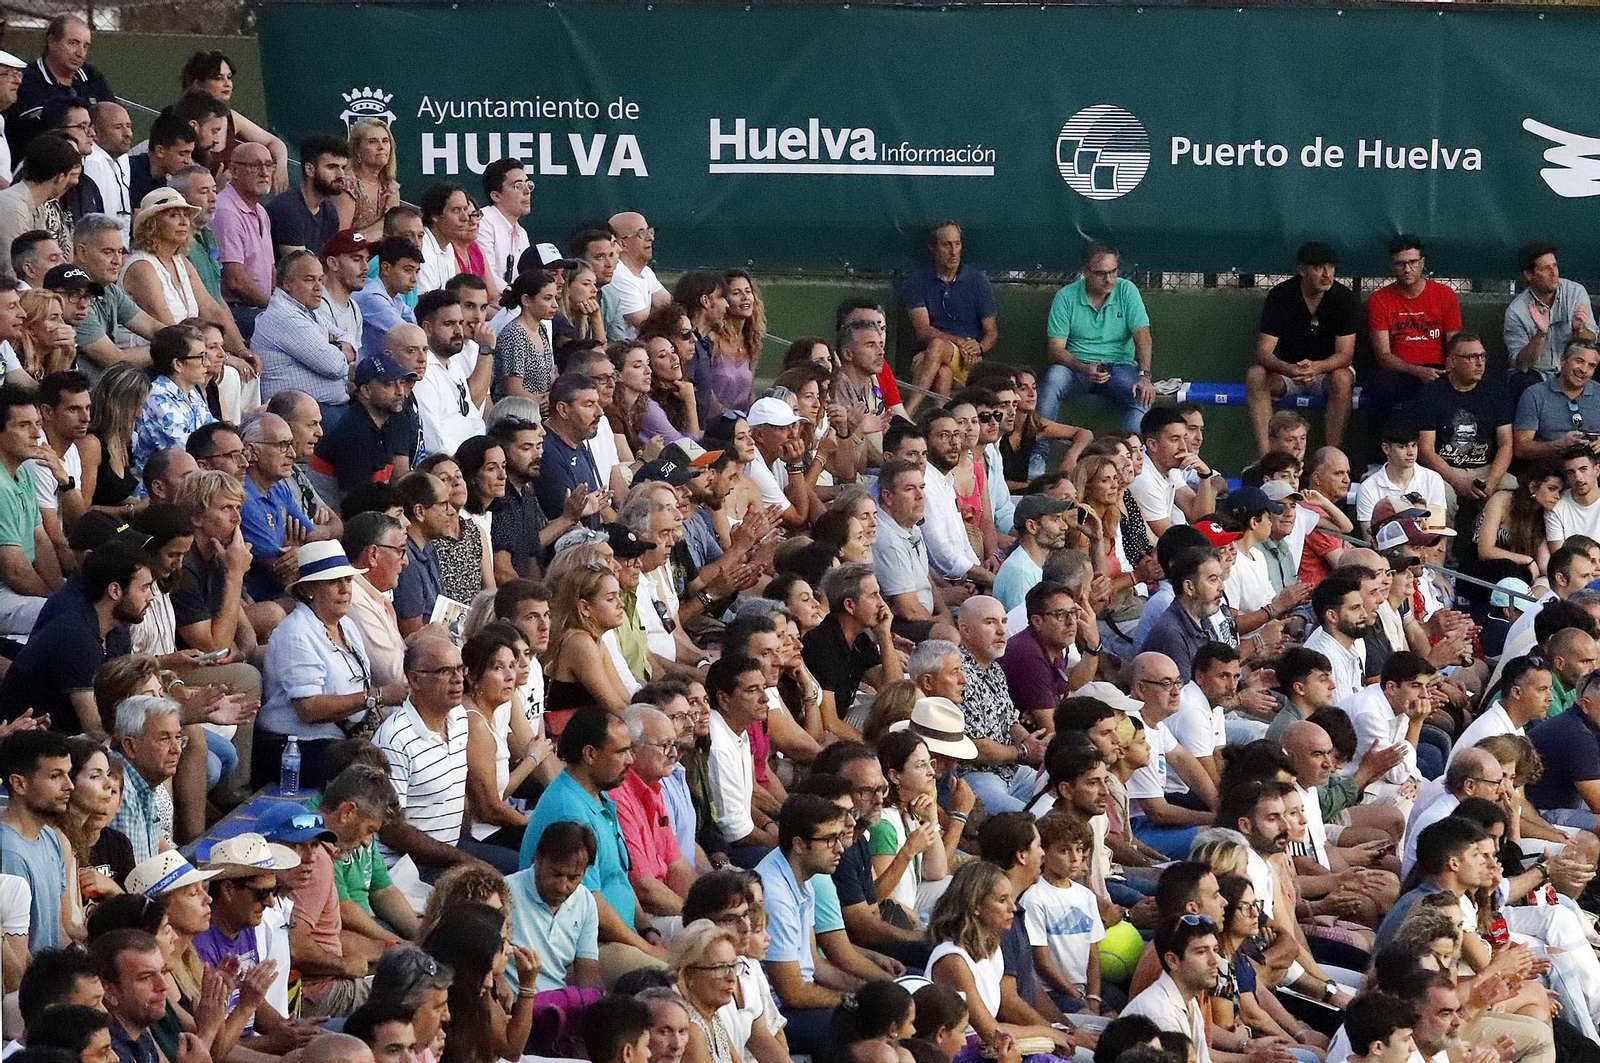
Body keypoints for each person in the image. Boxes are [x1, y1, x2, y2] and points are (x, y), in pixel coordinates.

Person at [517, 706, 666, 981]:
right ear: (589, 754)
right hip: (591, 946)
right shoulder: (570, 811)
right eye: (621, 752)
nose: (630, 760)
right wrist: (647, 949)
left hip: (628, 933)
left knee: (712, 946)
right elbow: (592, 906)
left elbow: (618, 877)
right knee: (672, 978)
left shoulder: (599, 797)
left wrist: (647, 929)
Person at [257, 541, 405, 789]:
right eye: (333, 581)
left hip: (343, 739)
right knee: (370, 772)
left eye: (347, 580)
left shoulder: (346, 625)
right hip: (298, 748)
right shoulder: (296, 633)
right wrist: (376, 696)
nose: (345, 589)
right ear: (308, 590)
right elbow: (309, 709)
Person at [0, 540, 153, 737]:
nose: (151, 597)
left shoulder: (117, 632)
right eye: (144, 588)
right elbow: (96, 728)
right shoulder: (75, 636)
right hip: (39, 750)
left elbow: (123, 700)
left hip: (72, 742)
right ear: (115, 591)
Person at [927, 860, 1072, 1058]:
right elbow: (992, 1033)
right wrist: (1050, 1032)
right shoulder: (953, 960)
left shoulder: (991, 949)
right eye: (1002, 900)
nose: (1012, 908)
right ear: (975, 906)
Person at [1244, 241, 1358, 454]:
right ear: (1302, 270)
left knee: (1342, 379)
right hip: (1287, 372)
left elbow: (1345, 355)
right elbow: (1264, 351)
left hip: (1326, 373)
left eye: (1330, 267)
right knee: (1256, 375)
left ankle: (1330, 457)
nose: (1327, 274)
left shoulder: (1343, 297)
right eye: (1318, 268)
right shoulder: (1280, 295)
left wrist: (1317, 367)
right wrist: (1289, 369)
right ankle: (1267, 458)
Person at [1038, 242, 1155, 434]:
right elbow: (1055, 350)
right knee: (1053, 379)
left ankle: (1126, 453)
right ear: (1085, 271)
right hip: (1076, 369)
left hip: (1120, 368)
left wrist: (1144, 377)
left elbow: (1143, 337)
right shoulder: (1065, 297)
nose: (1108, 279)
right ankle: (1037, 455)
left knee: (1143, 394)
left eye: (1113, 272)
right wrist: (1084, 368)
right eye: (1101, 273)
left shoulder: (1127, 290)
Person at [1415, 333, 1516, 526]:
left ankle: (1495, 552)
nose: (1479, 363)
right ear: (1452, 361)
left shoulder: (1496, 392)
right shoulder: (1431, 393)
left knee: (1511, 488)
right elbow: (1426, 450)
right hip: (1445, 469)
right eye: (1471, 357)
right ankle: (1439, 553)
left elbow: (1506, 444)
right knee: (1440, 495)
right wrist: (1457, 482)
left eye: (1483, 356)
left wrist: (1492, 482)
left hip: (1486, 469)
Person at [1366, 234, 1463, 412]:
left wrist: (1450, 369)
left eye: (1413, 262)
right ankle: (1385, 439)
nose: (1407, 269)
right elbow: (1384, 356)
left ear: (1422, 263)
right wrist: (1418, 371)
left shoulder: (1445, 295)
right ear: (1393, 265)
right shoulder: (1378, 300)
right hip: (1400, 370)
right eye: (1400, 264)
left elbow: (1455, 343)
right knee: (1382, 385)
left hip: (1438, 369)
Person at [502, 820, 602, 993]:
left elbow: (587, 969)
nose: (563, 886)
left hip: (557, 1005)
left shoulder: (586, 902)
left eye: (573, 878)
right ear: (538, 858)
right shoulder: (504, 893)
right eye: (556, 874)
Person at [901, 221, 996, 398]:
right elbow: (923, 331)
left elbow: (991, 333)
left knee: (939, 351)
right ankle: (941, 416)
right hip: (925, 356)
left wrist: (978, 348)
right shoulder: (917, 282)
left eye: (957, 244)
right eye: (946, 245)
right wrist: (959, 342)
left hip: (967, 361)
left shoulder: (978, 281)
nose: (953, 252)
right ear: (933, 248)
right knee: (941, 368)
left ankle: (907, 414)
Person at [254, 250, 352, 419]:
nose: (318, 287)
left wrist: (333, 347)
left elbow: (349, 340)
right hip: (294, 416)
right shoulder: (284, 316)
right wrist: (338, 348)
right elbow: (334, 366)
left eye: (321, 280)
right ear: (286, 283)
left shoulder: (308, 312)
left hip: (324, 409)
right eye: (309, 279)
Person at [0, 730, 72, 948]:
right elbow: (17, 953)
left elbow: (57, 929)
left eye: (68, 774)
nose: (70, 785)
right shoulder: (7, 852)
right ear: (19, 784)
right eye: (55, 776)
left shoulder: (50, 836)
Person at [239, 411, 321, 601]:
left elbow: (313, 538)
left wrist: (298, 552)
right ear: (251, 451)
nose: (292, 454)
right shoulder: (244, 499)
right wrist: (299, 553)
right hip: (263, 601)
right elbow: (283, 572)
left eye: (291, 445)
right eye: (282, 446)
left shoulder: (279, 488)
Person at [309, 352, 414, 500]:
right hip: (338, 518)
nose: (400, 391)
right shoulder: (355, 434)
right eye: (388, 384)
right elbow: (356, 506)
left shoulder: (386, 423)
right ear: (366, 391)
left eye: (401, 382)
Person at [1505, 241, 1594, 386]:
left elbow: (1592, 342)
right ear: (1529, 275)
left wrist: (1580, 329)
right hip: (1536, 374)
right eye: (1546, 269)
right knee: (1522, 381)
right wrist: (1541, 334)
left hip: (1571, 370)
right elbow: (1521, 364)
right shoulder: (1516, 311)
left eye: (1555, 266)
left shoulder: (1575, 293)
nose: (1554, 273)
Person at [130, 323, 213, 479]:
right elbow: (188, 452)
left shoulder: (191, 391)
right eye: (201, 357)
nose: (207, 363)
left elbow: (211, 431)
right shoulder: (157, 397)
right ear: (178, 364)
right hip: (164, 489)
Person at [212, 142, 275, 335]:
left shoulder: (261, 211)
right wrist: (275, 309)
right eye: (255, 165)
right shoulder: (226, 211)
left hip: (261, 309)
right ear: (234, 171)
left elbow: (271, 270)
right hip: (236, 312)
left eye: (269, 165)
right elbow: (236, 281)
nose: (264, 172)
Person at [1142, 547, 1226, 681]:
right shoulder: (1170, 634)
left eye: (1220, 578)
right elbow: (1187, 695)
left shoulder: (1203, 620)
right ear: (1189, 587)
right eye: (1213, 579)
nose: (1222, 587)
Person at [1514, 341, 1600, 462]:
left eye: (1591, 366)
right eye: (1579, 361)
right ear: (1563, 360)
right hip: (1551, 470)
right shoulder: (1535, 394)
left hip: (1594, 468)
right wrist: (1558, 445)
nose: (1584, 370)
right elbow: (1521, 448)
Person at [265, 135, 346, 258]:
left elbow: (330, 259)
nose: (341, 175)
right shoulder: (287, 208)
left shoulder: (329, 211)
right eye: (332, 167)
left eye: (343, 168)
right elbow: (301, 269)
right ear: (309, 169)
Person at [993, 494, 1074, 612]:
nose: (1064, 526)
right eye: (1055, 519)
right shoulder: (1020, 573)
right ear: (1032, 526)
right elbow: (1023, 626)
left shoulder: (1032, 564)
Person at [352, 236, 421, 361]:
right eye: (407, 270)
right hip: (361, 374)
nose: (414, 279)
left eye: (416, 271)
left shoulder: (396, 297)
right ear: (386, 268)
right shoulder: (371, 297)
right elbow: (410, 337)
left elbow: (415, 328)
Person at [605, 212, 669, 337]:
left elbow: (668, 303)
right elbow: (647, 326)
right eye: (641, 233)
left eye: (649, 231)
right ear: (622, 244)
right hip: (624, 353)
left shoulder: (645, 271)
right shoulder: (618, 274)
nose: (651, 238)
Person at [474, 160, 530, 299]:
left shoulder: (522, 233)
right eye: (518, 186)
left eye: (528, 184)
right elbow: (487, 275)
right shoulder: (483, 221)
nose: (527, 191)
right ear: (496, 196)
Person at [336, 119, 399, 241]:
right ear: (357, 150)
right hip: (349, 255)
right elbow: (341, 238)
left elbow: (394, 231)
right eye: (372, 141)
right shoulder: (346, 184)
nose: (381, 147)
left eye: (385, 141)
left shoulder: (390, 186)